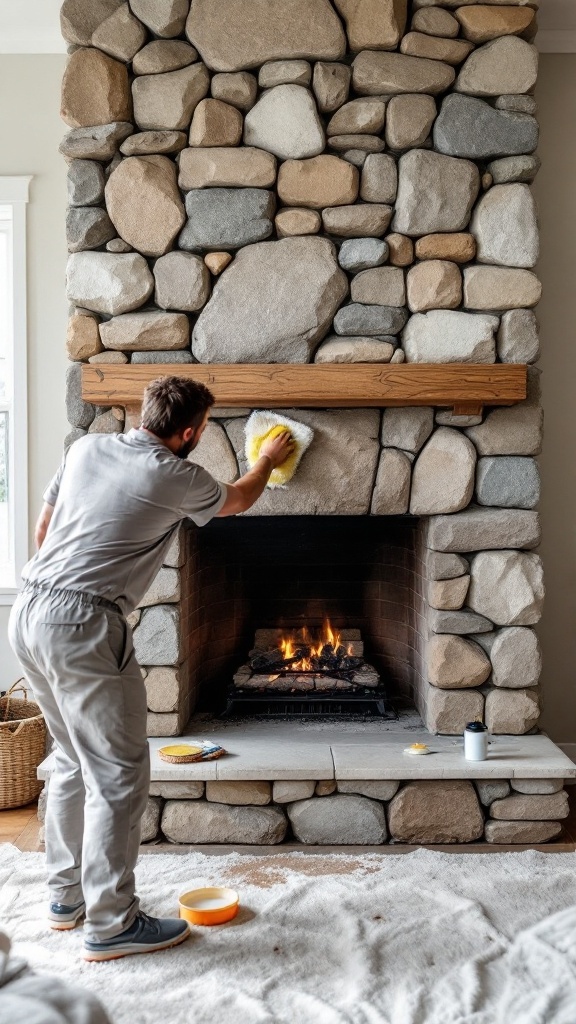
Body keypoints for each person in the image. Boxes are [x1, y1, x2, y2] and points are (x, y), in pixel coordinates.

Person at [8, 376, 294, 963]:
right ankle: (112, 925)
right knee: (117, 772)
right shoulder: (174, 473)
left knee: (68, 756)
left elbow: (44, 530)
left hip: (30, 609)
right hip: (82, 620)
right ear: (189, 431)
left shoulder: (86, 448)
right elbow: (239, 499)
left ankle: (66, 900)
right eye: (205, 428)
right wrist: (266, 457)